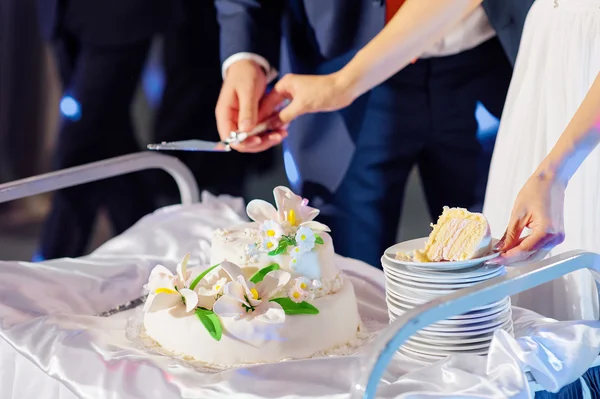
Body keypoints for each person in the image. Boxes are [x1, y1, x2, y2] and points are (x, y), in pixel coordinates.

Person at [214, 0, 531, 268]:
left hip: (492, 57)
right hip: (340, 53)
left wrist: (342, 86)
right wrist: (245, 57)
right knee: (348, 274)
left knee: (492, 264)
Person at [35, 0, 182, 258]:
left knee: (79, 141)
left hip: (119, 14)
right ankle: (154, 251)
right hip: (62, 12)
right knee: (110, 139)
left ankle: (53, 260)